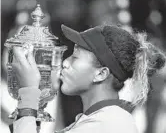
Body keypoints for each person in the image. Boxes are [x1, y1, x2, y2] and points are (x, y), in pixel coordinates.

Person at [11, 25, 165, 133]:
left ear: (101, 74)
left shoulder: (109, 123)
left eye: (75, 57)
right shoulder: (101, 119)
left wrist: (29, 91)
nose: (65, 63)